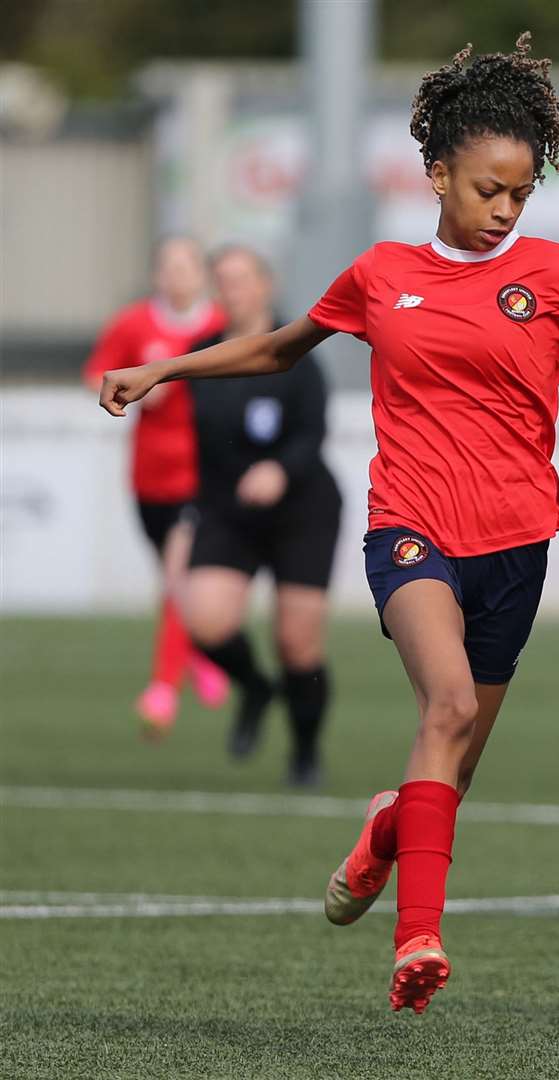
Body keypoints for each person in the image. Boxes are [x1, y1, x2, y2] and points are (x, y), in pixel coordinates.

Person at [98, 34, 559, 1015]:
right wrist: (164, 370)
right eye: (488, 189)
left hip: (517, 543)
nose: (506, 208)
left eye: (521, 192)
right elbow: (276, 349)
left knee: (452, 768)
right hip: (411, 529)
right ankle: (418, 940)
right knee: (446, 709)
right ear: (437, 174)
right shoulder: (380, 272)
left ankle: (381, 835)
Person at [183, 244, 342, 787]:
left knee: (297, 641)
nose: (232, 288)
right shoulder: (200, 355)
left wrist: (279, 469)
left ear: (265, 285)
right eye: (221, 279)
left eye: (241, 278)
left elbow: (314, 432)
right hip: (230, 509)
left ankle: (305, 752)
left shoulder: (297, 351)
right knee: (204, 618)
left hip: (302, 506)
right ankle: (254, 687)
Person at [83, 237, 229, 736]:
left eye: (186, 266)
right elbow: (97, 374)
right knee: (173, 583)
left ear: (202, 274)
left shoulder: (218, 328)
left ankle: (162, 690)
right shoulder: (133, 324)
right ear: (156, 274)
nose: (177, 276)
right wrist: (136, 396)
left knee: (178, 578)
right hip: (148, 479)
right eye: (168, 266)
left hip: (201, 477)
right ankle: (202, 655)